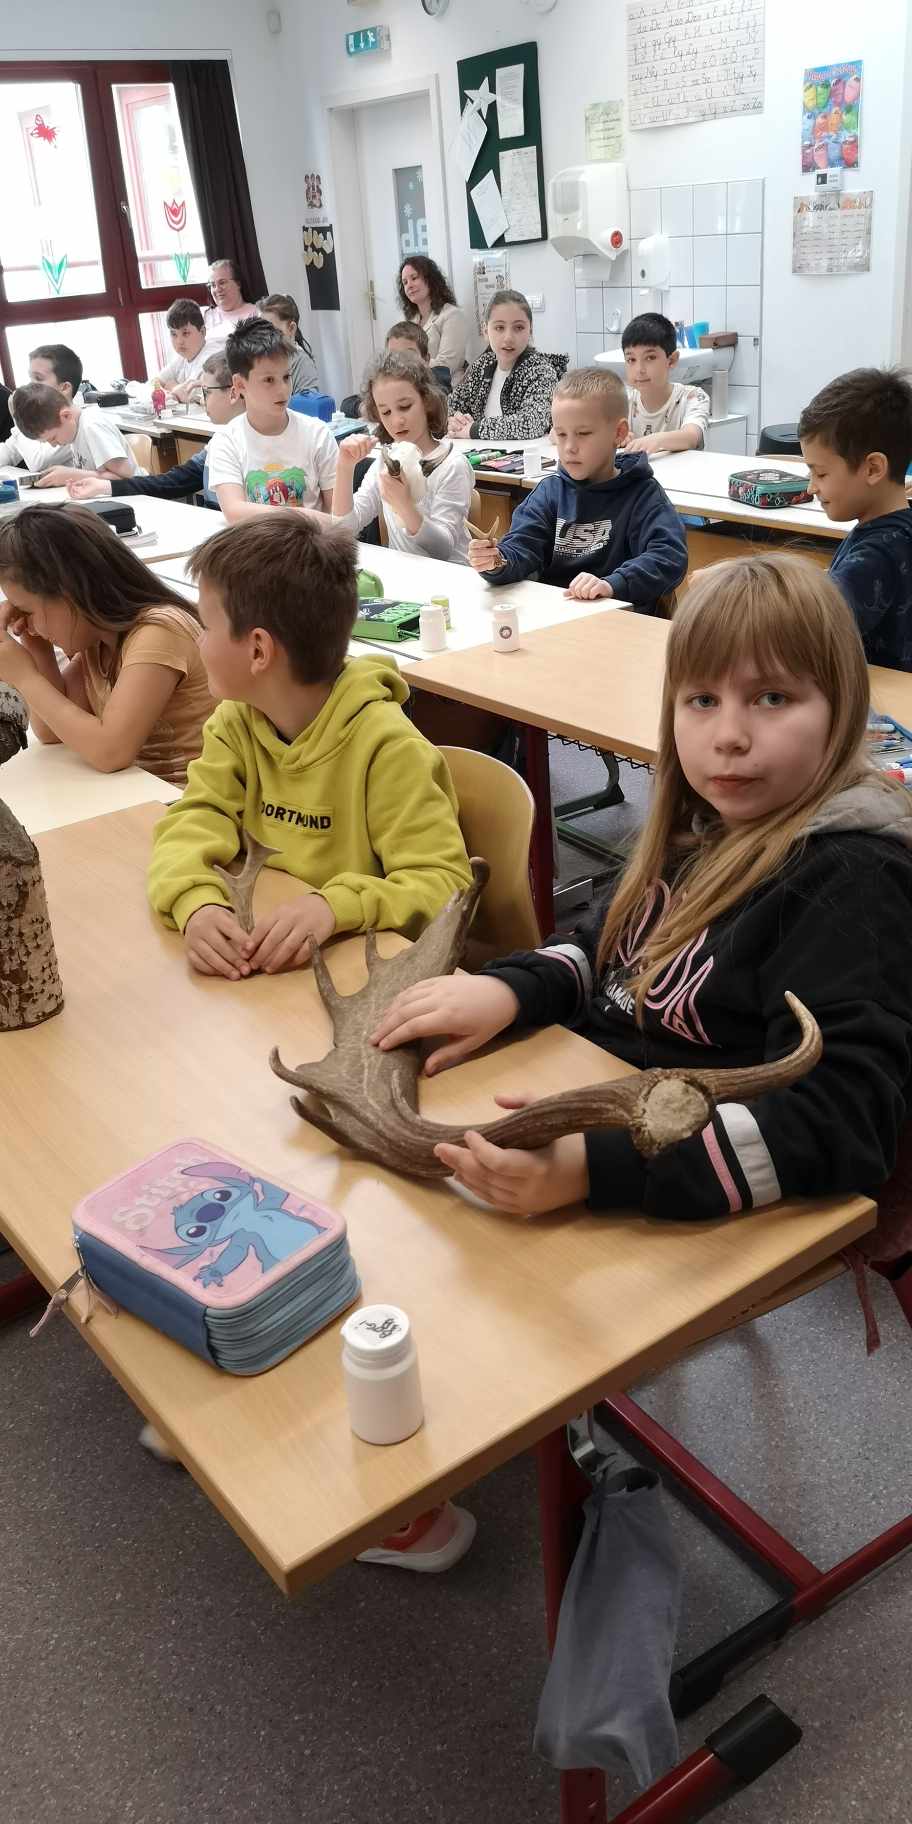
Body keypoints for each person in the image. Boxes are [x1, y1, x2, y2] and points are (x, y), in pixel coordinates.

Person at [370, 553, 912, 1228]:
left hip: (684, 1199)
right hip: (597, 1103)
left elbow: (841, 1121)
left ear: (843, 708)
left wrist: (597, 1168)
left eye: (773, 698)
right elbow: (605, 948)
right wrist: (512, 990)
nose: (729, 737)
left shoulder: (853, 880)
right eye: (702, 700)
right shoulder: (704, 823)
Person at [147, 512, 472, 976]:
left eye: (206, 627)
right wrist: (195, 901)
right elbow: (196, 816)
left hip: (363, 975)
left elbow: (444, 884)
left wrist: (335, 907)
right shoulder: (236, 720)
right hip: (277, 962)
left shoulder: (389, 748)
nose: (199, 641)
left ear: (258, 650)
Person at [0, 504, 215, 785]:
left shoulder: (159, 632)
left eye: (27, 611)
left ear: (71, 592)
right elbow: (52, 732)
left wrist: (25, 677)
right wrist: (34, 642)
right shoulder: (99, 639)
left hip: (186, 798)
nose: (26, 622)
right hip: (138, 791)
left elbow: (110, 752)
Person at [468, 367, 687, 608]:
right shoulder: (549, 493)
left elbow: (668, 557)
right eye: (561, 435)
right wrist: (497, 561)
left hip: (620, 619)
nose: (569, 447)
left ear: (619, 432)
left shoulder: (643, 495)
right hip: (559, 613)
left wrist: (613, 584)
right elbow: (522, 547)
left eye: (583, 433)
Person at [798, 367, 912, 671]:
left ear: (873, 469)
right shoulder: (895, 533)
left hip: (879, 694)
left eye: (821, 474)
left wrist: (737, 590)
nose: (811, 488)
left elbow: (809, 627)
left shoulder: (877, 554)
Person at [332, 353, 472, 562]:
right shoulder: (385, 460)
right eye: (386, 412)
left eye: (405, 407)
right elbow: (343, 530)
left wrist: (405, 506)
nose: (397, 420)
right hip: (405, 574)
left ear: (427, 401)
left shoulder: (452, 464)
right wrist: (344, 467)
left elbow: (442, 550)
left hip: (451, 575)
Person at [65, 353, 242, 507]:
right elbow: (172, 482)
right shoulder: (221, 440)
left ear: (234, 392)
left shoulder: (242, 442)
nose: (202, 400)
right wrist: (104, 486)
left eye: (206, 392)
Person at [207, 320, 337, 523]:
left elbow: (337, 515)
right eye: (269, 380)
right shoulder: (226, 441)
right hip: (256, 542)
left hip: (312, 542)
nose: (283, 389)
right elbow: (234, 511)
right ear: (240, 384)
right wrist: (305, 516)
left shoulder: (317, 434)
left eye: (286, 377)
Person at [447, 290, 567, 442]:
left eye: (518, 328)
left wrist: (474, 429)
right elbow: (450, 408)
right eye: (499, 328)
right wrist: (453, 420)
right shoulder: (481, 366)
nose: (508, 338)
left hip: (526, 455)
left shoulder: (541, 371)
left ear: (530, 331)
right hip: (480, 454)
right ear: (485, 331)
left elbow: (531, 423)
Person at [9, 382, 138, 488]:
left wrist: (73, 475)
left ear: (65, 416)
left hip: (136, 497)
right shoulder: (73, 432)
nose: (53, 445)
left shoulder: (92, 426)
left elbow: (128, 479)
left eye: (53, 438)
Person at [621, 312, 711, 455]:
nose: (639, 369)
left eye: (650, 357)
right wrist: (618, 437)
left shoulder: (692, 397)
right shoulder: (624, 401)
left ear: (672, 360)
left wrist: (657, 440)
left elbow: (692, 436)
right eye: (631, 360)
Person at [0, 343, 85, 474]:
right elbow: (9, 451)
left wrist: (17, 417)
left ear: (64, 388)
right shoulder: (39, 417)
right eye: (30, 378)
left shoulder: (72, 420)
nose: (30, 385)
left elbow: (38, 462)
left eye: (38, 378)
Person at [397, 255, 468, 385]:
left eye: (414, 278)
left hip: (445, 388)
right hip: (414, 385)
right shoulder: (410, 320)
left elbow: (446, 365)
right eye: (405, 282)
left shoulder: (452, 315)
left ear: (430, 280)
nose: (409, 286)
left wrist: (409, 365)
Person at [150, 299, 216, 401]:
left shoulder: (211, 357)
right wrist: (175, 390)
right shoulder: (182, 356)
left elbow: (188, 394)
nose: (179, 341)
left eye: (185, 333)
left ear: (202, 332)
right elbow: (155, 382)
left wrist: (171, 386)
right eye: (174, 334)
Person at [257, 292, 319, 395]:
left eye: (272, 332)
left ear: (291, 329)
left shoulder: (302, 362)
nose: (265, 338)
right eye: (260, 331)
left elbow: (308, 403)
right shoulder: (259, 358)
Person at [202, 258, 257, 348]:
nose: (217, 289)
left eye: (222, 283)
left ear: (238, 284)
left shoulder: (256, 313)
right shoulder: (206, 316)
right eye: (213, 285)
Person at [385, 320, 451, 392]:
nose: (400, 363)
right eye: (393, 356)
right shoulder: (384, 386)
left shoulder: (439, 388)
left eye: (408, 355)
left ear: (426, 360)